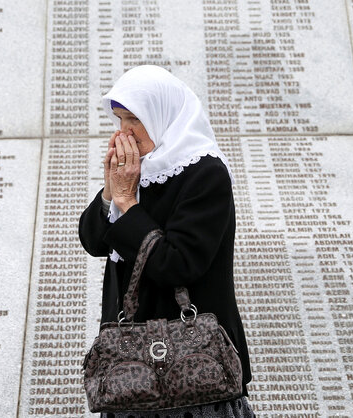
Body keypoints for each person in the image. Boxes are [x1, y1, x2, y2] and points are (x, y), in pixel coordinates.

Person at [78, 65, 254, 418]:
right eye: (119, 120)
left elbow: (179, 263)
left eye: (134, 120)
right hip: (132, 368)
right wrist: (111, 191)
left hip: (193, 367)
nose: (124, 132)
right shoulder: (141, 170)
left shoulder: (206, 174)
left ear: (161, 115)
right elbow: (95, 241)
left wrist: (128, 204)